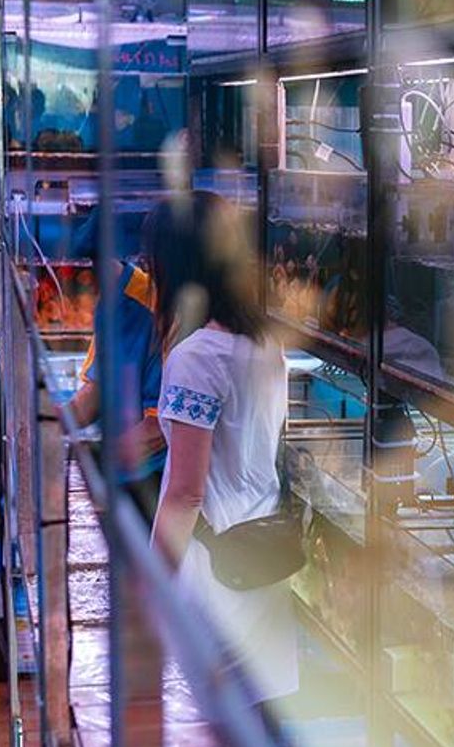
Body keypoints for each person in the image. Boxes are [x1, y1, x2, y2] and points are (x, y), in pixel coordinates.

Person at [149, 192, 300, 702]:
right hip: (264, 552)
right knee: (260, 729)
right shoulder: (263, 342)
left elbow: (186, 493)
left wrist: (151, 581)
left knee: (213, 738)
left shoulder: (198, 357)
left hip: (216, 572)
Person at [68, 199, 197, 521]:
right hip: (128, 482)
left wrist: (95, 461)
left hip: (160, 488)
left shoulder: (172, 315)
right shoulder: (117, 304)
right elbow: (90, 399)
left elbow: (158, 430)